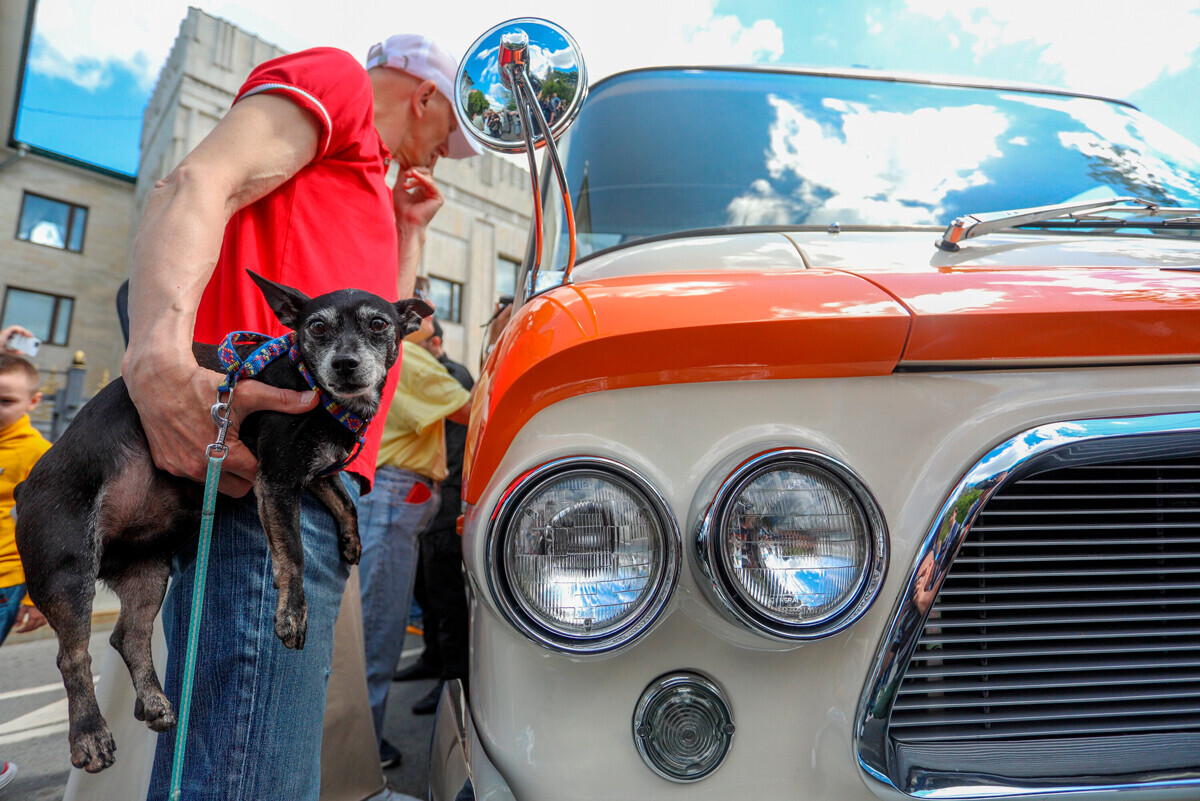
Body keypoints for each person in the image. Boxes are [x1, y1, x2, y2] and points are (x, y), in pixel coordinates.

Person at [115, 33, 479, 801]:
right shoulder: (338, 81)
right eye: (447, 139)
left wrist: (406, 228)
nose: (438, 158)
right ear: (425, 98)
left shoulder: (367, 188)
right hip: (265, 472)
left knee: (252, 754)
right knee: (250, 771)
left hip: (315, 482)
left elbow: (384, 330)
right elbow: (195, 182)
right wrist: (156, 357)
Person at [356, 281, 471, 766]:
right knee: (377, 634)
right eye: (418, 301)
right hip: (392, 497)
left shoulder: (398, 356)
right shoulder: (410, 358)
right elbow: (474, 410)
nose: (428, 310)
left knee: (376, 627)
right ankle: (360, 756)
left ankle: (357, 745)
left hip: (392, 497)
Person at [396, 318, 473, 715]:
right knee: (426, 588)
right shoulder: (435, 372)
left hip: (448, 496)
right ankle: (432, 658)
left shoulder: (451, 376)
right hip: (433, 495)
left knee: (445, 596)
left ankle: (453, 678)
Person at [0, 328, 53, 796]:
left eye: (5, 401)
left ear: (34, 402)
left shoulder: (35, 452)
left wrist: (38, 595)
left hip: (5, 581)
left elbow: (43, 526)